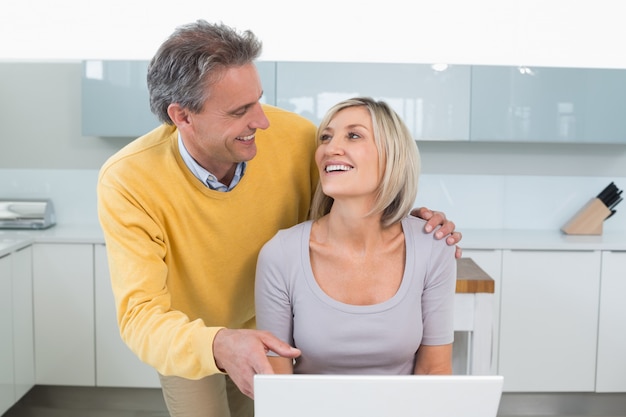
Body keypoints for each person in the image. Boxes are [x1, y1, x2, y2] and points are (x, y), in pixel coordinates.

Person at [97, 20, 461, 417]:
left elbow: (355, 188)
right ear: (183, 116)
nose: (262, 121)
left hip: (270, 328)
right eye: (240, 111)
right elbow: (140, 315)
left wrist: (412, 219)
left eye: (259, 100)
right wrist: (218, 344)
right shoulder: (129, 179)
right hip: (190, 334)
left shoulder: (295, 138)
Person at [255, 97, 456, 376]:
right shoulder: (280, 253)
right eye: (325, 137)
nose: (330, 148)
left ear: (391, 155)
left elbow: (434, 370)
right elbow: (276, 379)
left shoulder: (432, 246)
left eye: (353, 135)